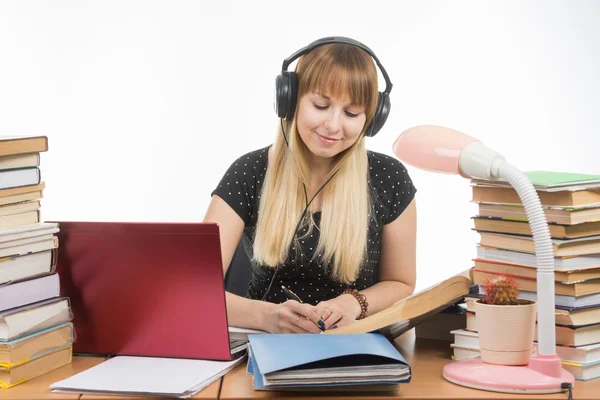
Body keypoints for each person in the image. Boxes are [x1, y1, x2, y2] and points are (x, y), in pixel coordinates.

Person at [203, 37, 417, 334]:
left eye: (352, 113)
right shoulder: (249, 172)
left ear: (371, 119)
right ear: (291, 99)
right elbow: (197, 292)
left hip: (357, 348)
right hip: (265, 344)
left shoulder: (389, 177)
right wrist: (266, 317)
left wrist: (353, 303)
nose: (333, 125)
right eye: (320, 105)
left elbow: (401, 282)